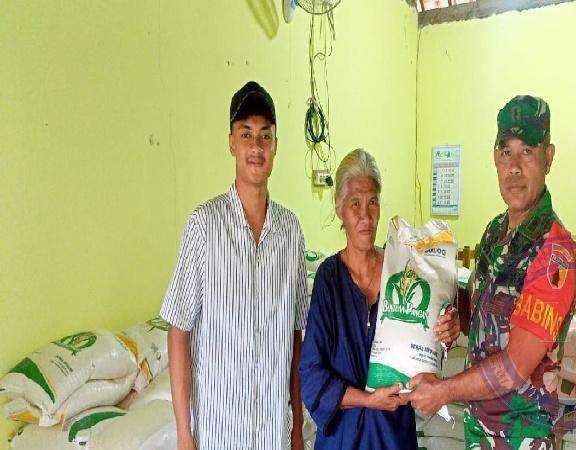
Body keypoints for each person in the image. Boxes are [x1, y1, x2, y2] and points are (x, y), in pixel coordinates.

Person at [404, 96, 576, 449]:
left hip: (521, 437)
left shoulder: (553, 253)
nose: (514, 167)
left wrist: (443, 390)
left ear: (548, 157)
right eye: (505, 152)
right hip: (479, 430)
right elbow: (484, 325)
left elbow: (514, 367)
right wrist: (457, 324)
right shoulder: (494, 233)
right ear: (495, 158)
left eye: (527, 151)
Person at [160, 81, 308, 450]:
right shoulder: (204, 225)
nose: (256, 147)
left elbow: (295, 338)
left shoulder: (290, 231)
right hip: (220, 434)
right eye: (246, 134)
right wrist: (184, 434)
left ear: (276, 145)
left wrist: (295, 430)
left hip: (273, 433)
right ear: (231, 143)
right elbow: (178, 332)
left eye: (265, 136)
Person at [299, 149, 461, 450]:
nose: (365, 216)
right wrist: (368, 399)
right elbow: (311, 374)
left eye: (372, 202)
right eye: (355, 203)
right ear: (339, 208)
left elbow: (426, 344)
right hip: (342, 439)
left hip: (392, 436)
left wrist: (446, 332)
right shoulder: (329, 278)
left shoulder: (401, 270)